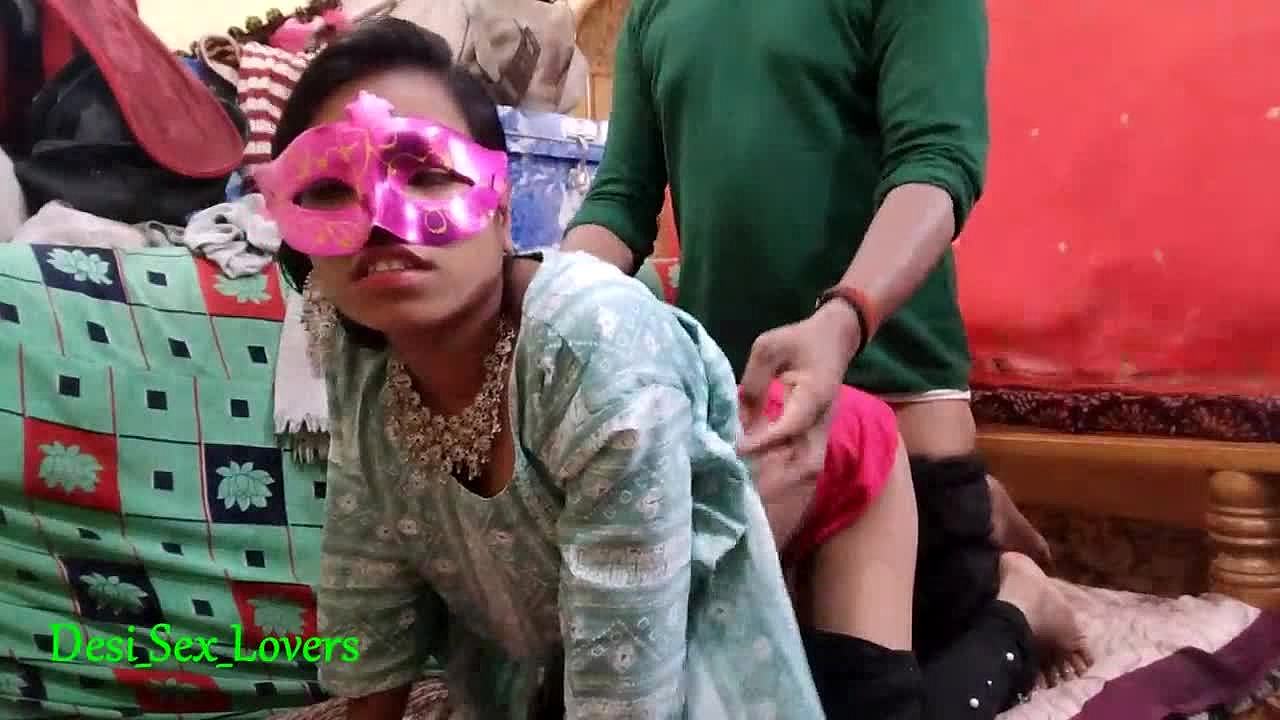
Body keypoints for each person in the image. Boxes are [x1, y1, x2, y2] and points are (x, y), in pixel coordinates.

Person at [261, 18, 925, 718]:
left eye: (429, 175)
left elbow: (625, 688)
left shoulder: (595, 349)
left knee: (872, 702)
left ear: (500, 205)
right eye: (329, 189)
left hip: (825, 466)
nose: (380, 220)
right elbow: (368, 578)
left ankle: (1002, 608)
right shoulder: (355, 346)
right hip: (631, 562)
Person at [544, 0, 1092, 715]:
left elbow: (936, 161)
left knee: (879, 699)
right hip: (749, 452)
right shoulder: (654, 11)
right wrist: (542, 309)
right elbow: (621, 199)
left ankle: (1016, 598)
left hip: (896, 420)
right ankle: (979, 518)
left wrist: (844, 318)